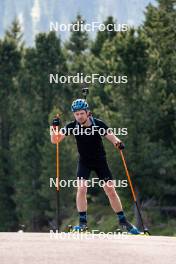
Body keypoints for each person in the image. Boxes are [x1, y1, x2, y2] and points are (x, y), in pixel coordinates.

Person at [51, 99, 140, 234]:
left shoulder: (98, 124)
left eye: (81, 113)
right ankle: (82, 224)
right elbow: (55, 140)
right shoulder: (72, 126)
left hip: (100, 161)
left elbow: (112, 137)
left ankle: (123, 222)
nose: (79, 116)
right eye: (76, 114)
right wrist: (54, 128)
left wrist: (118, 143)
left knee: (110, 189)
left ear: (87, 113)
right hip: (84, 162)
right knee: (81, 189)